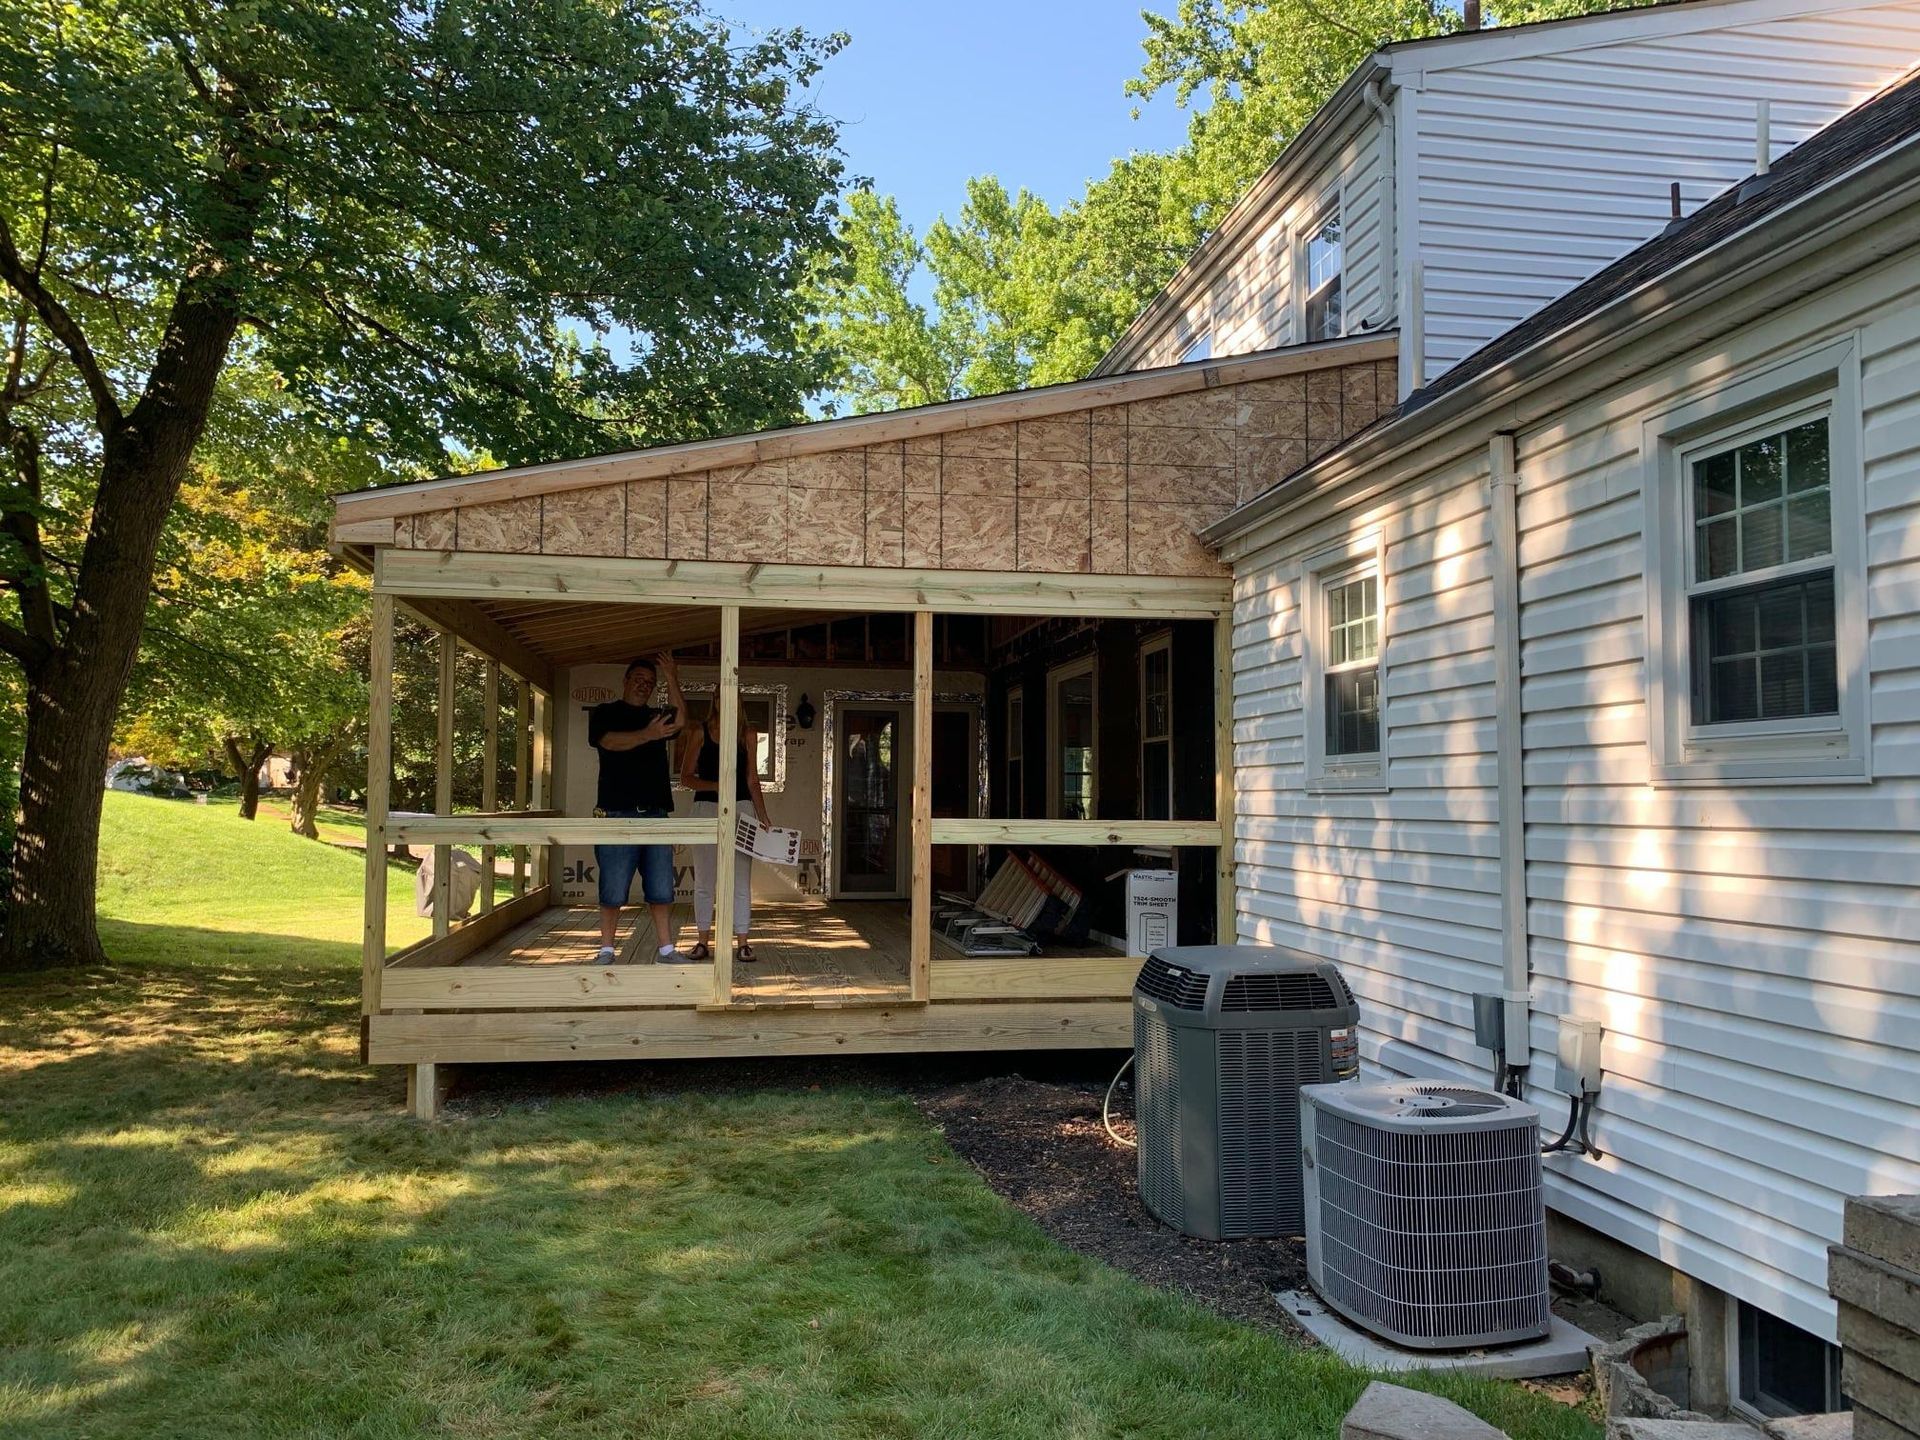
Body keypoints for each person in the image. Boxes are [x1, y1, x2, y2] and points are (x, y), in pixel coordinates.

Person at [588, 653, 693, 965]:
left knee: (661, 887)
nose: (643, 686)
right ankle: (606, 950)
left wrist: (672, 676)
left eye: (650, 683)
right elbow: (608, 742)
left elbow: (682, 720)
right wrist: (648, 735)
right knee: (613, 886)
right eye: (638, 680)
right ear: (625, 681)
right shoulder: (605, 712)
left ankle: (666, 950)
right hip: (616, 812)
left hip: (656, 813)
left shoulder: (657, 717)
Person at [678, 702, 771, 962]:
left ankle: (743, 942)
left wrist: (763, 815)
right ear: (715, 699)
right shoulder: (701, 732)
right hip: (706, 807)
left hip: (741, 808)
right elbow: (686, 777)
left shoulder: (747, 733)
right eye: (720, 693)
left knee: (740, 879)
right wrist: (718, 786)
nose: (725, 699)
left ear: (738, 699)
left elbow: (752, 779)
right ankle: (702, 941)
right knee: (705, 880)